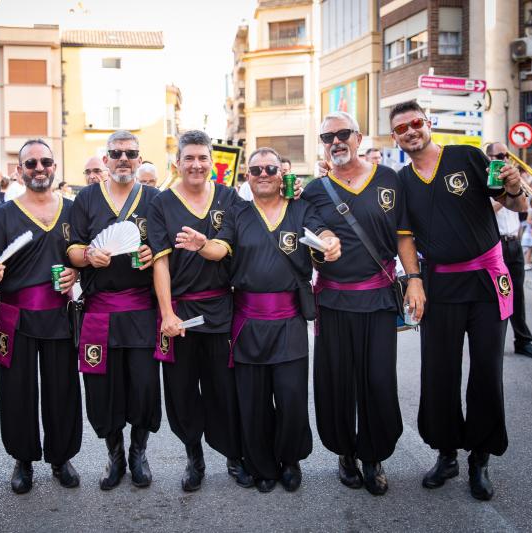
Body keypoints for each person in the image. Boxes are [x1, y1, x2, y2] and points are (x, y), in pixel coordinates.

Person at [176, 147, 340, 493]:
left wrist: (330, 242)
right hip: (247, 320)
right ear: (246, 177)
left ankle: (290, 460)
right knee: (253, 399)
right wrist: (203, 244)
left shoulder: (301, 209)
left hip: (289, 319)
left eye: (269, 168)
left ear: (283, 173)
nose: (262, 174)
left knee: (291, 395)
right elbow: (221, 248)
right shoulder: (238, 212)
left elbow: (322, 234)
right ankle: (262, 465)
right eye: (255, 170)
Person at [390, 100, 526, 501]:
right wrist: (414, 281)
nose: (411, 131)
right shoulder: (402, 180)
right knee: (439, 372)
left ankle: (479, 459)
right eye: (401, 128)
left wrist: (516, 186)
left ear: (428, 123)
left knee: (486, 371)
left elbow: (515, 203)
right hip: (440, 285)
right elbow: (405, 237)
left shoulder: (466, 156)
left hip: (486, 281)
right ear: (396, 138)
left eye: (415, 123)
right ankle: (446, 453)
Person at [302, 111, 424, 496]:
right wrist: (322, 249)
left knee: (377, 381)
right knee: (337, 381)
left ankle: (373, 457)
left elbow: (405, 237)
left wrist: (415, 280)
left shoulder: (388, 179)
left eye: (342, 134)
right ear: (322, 144)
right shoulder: (314, 191)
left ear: (358, 136)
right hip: (334, 302)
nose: (336, 141)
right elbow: (307, 246)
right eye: (327, 137)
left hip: (378, 299)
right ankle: (345, 454)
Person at [147, 130, 253, 492]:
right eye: (188, 158)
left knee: (224, 388)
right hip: (180, 313)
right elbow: (159, 263)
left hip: (220, 309)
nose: (195, 164)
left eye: (202, 158)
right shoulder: (161, 204)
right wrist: (166, 315)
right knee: (182, 391)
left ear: (212, 162)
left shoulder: (228, 197)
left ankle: (233, 455)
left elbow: (228, 247)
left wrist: (205, 245)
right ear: (177, 163)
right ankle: (194, 456)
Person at [0, 139, 83, 494]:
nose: (40, 169)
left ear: (54, 167)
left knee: (62, 390)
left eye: (46, 162)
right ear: (20, 170)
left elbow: (87, 255)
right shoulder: (3, 214)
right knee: (17, 392)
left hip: (59, 314)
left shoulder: (73, 210)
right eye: (31, 163)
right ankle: (22, 460)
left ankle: (61, 457)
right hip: (16, 316)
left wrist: (78, 274)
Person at [67, 130, 158, 490]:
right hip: (100, 311)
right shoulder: (86, 198)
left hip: (140, 309)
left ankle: (139, 453)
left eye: (130, 153)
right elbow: (72, 249)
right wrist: (88, 254)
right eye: (116, 153)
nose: (123, 159)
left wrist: (152, 255)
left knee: (144, 386)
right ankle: (115, 455)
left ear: (139, 158)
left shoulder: (153, 199)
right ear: (105, 160)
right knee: (103, 389)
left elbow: (166, 252)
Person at [486, 143, 532, 359]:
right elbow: (489, 210)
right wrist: (506, 194)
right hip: (494, 244)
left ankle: (523, 341)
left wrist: (518, 188)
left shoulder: (513, 177)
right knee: (495, 295)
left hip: (513, 243)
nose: (504, 158)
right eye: (499, 155)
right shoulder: (486, 180)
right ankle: (491, 343)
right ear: (489, 157)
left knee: (517, 294)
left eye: (506, 155)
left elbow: (525, 207)